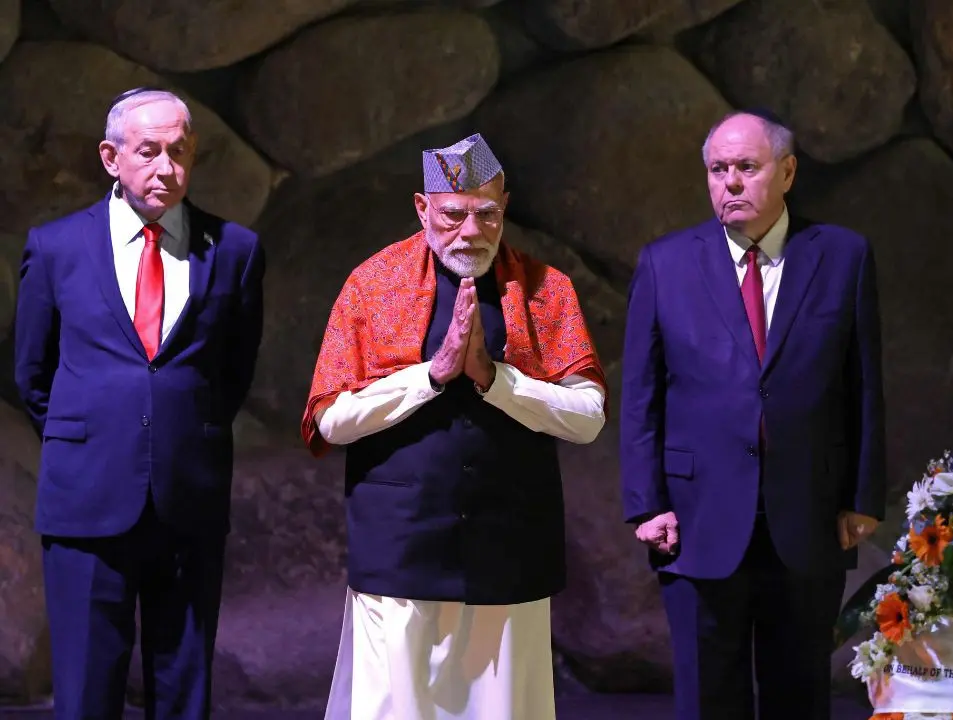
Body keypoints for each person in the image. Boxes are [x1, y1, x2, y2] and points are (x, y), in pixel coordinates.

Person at [301, 133, 608, 720]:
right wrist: (432, 375)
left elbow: (588, 418)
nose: (471, 232)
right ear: (423, 209)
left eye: (486, 214)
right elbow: (331, 419)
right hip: (400, 543)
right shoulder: (372, 285)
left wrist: (496, 380)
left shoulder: (545, 289)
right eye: (453, 215)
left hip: (510, 542)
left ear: (505, 207)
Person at [618, 109, 887, 720]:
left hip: (809, 513)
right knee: (709, 697)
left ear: (787, 172)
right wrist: (645, 502)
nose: (731, 182)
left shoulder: (842, 256)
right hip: (696, 518)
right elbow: (640, 395)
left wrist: (863, 496)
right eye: (718, 170)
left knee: (800, 694)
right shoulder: (666, 263)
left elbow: (864, 383)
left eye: (746, 166)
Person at [12, 87, 265, 719]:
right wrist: (95, 437)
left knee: (184, 688)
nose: (166, 167)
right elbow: (32, 374)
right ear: (111, 157)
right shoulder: (56, 248)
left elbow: (232, 373)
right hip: (86, 498)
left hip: (188, 497)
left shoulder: (234, 250)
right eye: (149, 151)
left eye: (179, 151)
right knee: (86, 690)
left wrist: (181, 433)